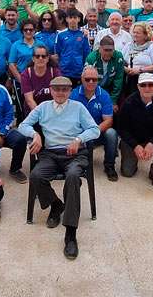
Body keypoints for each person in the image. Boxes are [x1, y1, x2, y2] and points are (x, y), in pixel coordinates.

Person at [17, 76, 100, 260]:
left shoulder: (78, 107)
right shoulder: (43, 107)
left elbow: (95, 129)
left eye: (65, 89)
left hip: (74, 154)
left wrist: (78, 140)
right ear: (51, 90)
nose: (61, 93)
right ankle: (56, 204)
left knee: (72, 177)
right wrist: (35, 134)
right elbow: (23, 125)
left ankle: (70, 234)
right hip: (51, 153)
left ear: (70, 91)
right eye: (57, 89)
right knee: (36, 175)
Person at [114, 73, 153, 189]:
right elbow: (122, 128)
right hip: (133, 139)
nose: (147, 88)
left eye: (151, 85)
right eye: (143, 85)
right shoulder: (128, 103)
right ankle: (133, 159)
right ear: (138, 86)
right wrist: (135, 146)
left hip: (152, 138)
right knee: (127, 173)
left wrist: (152, 143)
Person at [71, 66, 119, 181]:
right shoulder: (74, 94)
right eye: (87, 79)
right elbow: (70, 119)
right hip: (79, 133)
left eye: (94, 79)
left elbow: (108, 121)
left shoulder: (104, 95)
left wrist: (93, 132)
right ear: (82, 79)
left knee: (112, 133)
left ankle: (109, 166)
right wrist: (82, 136)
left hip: (98, 131)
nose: (91, 82)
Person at [85, 36, 125, 109]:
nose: (108, 53)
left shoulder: (118, 57)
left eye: (111, 50)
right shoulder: (92, 58)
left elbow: (118, 80)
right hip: (95, 89)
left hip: (111, 88)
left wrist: (113, 101)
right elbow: (87, 80)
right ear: (100, 49)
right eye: (106, 50)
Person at [20, 45, 61, 116]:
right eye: (37, 56)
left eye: (43, 56)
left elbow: (59, 95)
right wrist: (41, 116)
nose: (40, 58)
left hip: (52, 112)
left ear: (48, 58)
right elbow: (29, 100)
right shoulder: (26, 74)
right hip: (32, 112)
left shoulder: (55, 72)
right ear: (33, 58)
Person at [54, 9, 91, 86]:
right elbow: (58, 54)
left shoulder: (83, 35)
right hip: (64, 71)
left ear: (79, 19)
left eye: (75, 17)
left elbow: (86, 54)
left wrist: (83, 69)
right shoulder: (61, 35)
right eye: (70, 17)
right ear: (67, 19)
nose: (73, 20)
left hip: (78, 72)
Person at [121, 22, 153, 94]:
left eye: (138, 33)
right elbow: (120, 61)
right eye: (134, 32)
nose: (135, 35)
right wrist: (126, 69)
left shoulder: (151, 47)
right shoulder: (129, 45)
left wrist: (140, 70)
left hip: (146, 80)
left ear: (146, 35)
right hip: (130, 79)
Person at [8, 19, 39, 86]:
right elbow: (11, 64)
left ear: (34, 31)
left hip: (37, 80)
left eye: (31, 30)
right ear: (22, 31)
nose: (28, 32)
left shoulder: (40, 44)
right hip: (21, 79)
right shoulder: (16, 45)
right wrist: (21, 80)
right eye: (25, 30)